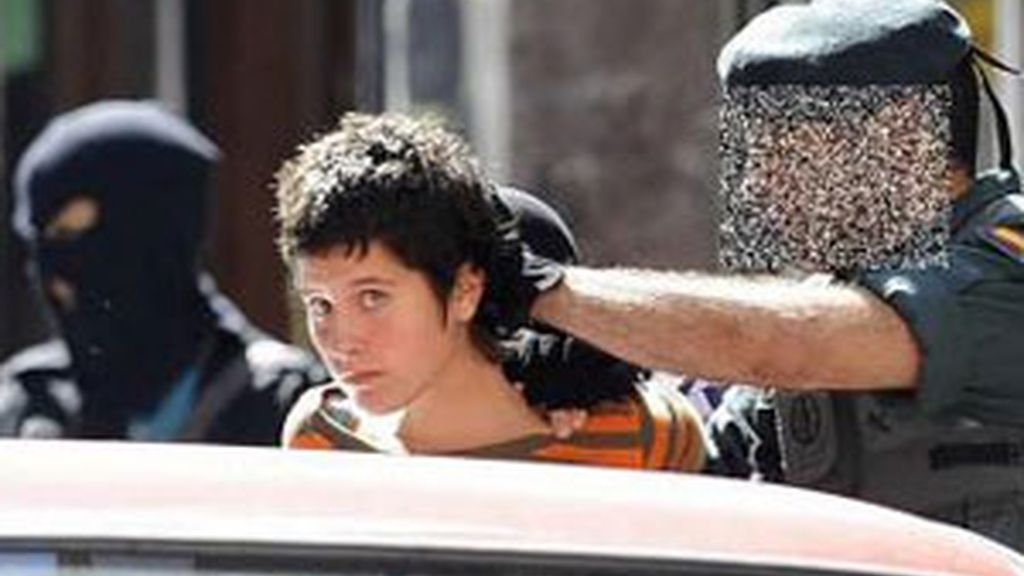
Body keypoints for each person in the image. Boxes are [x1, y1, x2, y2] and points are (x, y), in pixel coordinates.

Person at [482, 0, 1024, 548]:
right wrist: (581, 387)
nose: (758, 184)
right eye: (753, 153)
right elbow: (697, 459)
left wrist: (545, 289)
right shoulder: (832, 305)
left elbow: (790, 345)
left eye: (786, 148)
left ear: (902, 138)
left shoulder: (1007, 267)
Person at [274, 112, 705, 471]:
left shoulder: (639, 435)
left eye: (373, 297)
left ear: (465, 290)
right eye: (320, 304)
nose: (343, 341)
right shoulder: (322, 437)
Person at [0, 100, 328, 443]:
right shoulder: (26, 406)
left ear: (156, 234)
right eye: (37, 243)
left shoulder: (284, 406)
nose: (56, 279)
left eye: (74, 235)